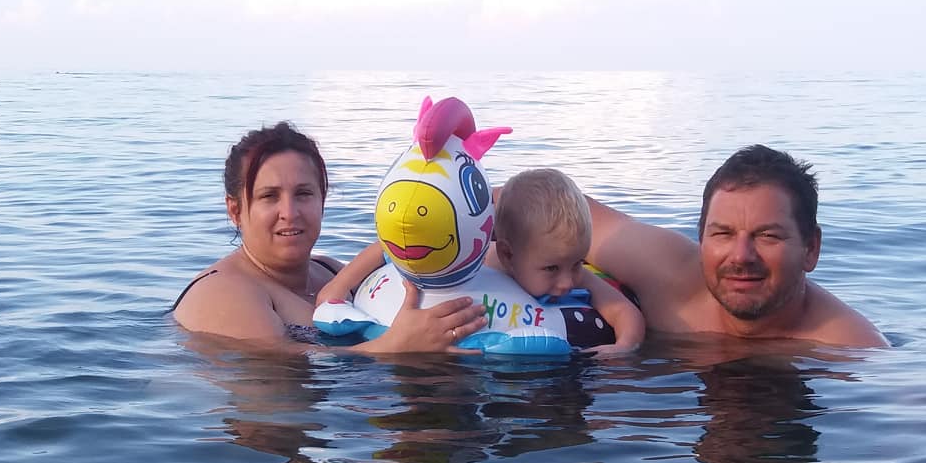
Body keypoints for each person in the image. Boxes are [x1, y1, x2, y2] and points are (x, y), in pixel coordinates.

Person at [173, 121, 485, 352]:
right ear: (235, 210)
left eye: (303, 193)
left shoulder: (332, 272)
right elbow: (275, 373)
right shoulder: (222, 291)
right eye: (269, 196)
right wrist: (395, 347)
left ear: (322, 199)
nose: (290, 212)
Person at [584, 144, 887, 349]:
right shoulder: (666, 273)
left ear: (811, 249)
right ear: (701, 238)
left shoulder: (849, 349)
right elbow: (566, 210)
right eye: (723, 234)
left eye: (767, 236)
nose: (741, 256)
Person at [319, 167, 645, 353]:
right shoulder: (475, 260)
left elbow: (623, 311)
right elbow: (388, 250)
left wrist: (623, 347)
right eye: (551, 269)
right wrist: (338, 287)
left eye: (577, 263)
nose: (567, 281)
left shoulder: (570, 272)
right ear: (507, 253)